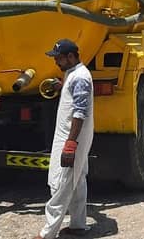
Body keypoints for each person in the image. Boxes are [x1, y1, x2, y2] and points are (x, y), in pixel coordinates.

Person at [33, 39, 94, 239]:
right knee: (76, 182)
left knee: (61, 184)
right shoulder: (73, 75)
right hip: (72, 136)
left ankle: (48, 233)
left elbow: (79, 113)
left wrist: (70, 144)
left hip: (72, 137)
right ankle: (78, 226)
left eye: (58, 59)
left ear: (70, 57)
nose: (55, 63)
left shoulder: (80, 78)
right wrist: (62, 85)